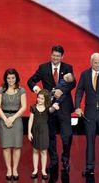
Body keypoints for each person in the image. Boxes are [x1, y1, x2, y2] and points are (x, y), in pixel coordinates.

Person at [27, 45, 76, 173]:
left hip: (64, 107)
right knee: (50, 135)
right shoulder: (43, 68)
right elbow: (31, 81)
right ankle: (53, 161)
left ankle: (65, 159)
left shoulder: (67, 68)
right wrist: (37, 90)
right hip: (48, 108)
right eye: (54, 55)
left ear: (62, 57)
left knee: (67, 135)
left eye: (58, 56)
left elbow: (73, 83)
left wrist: (61, 90)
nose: (55, 57)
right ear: (51, 55)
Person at [0, 68, 27, 181]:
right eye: (8, 78)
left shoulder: (21, 90)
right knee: (6, 147)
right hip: (4, 119)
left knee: (17, 146)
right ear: (5, 78)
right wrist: (5, 119)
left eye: (13, 78)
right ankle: (9, 169)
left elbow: (24, 106)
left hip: (17, 119)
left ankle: (15, 169)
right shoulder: (1, 90)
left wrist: (13, 118)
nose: (11, 80)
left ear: (16, 78)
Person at [28, 89, 59, 180]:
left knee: (44, 151)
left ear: (45, 99)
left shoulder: (47, 107)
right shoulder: (33, 107)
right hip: (35, 131)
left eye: (42, 98)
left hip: (45, 131)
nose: (39, 100)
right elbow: (30, 120)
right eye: (38, 98)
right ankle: (35, 170)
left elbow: (51, 109)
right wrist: (29, 132)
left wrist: (54, 106)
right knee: (35, 151)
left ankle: (43, 171)